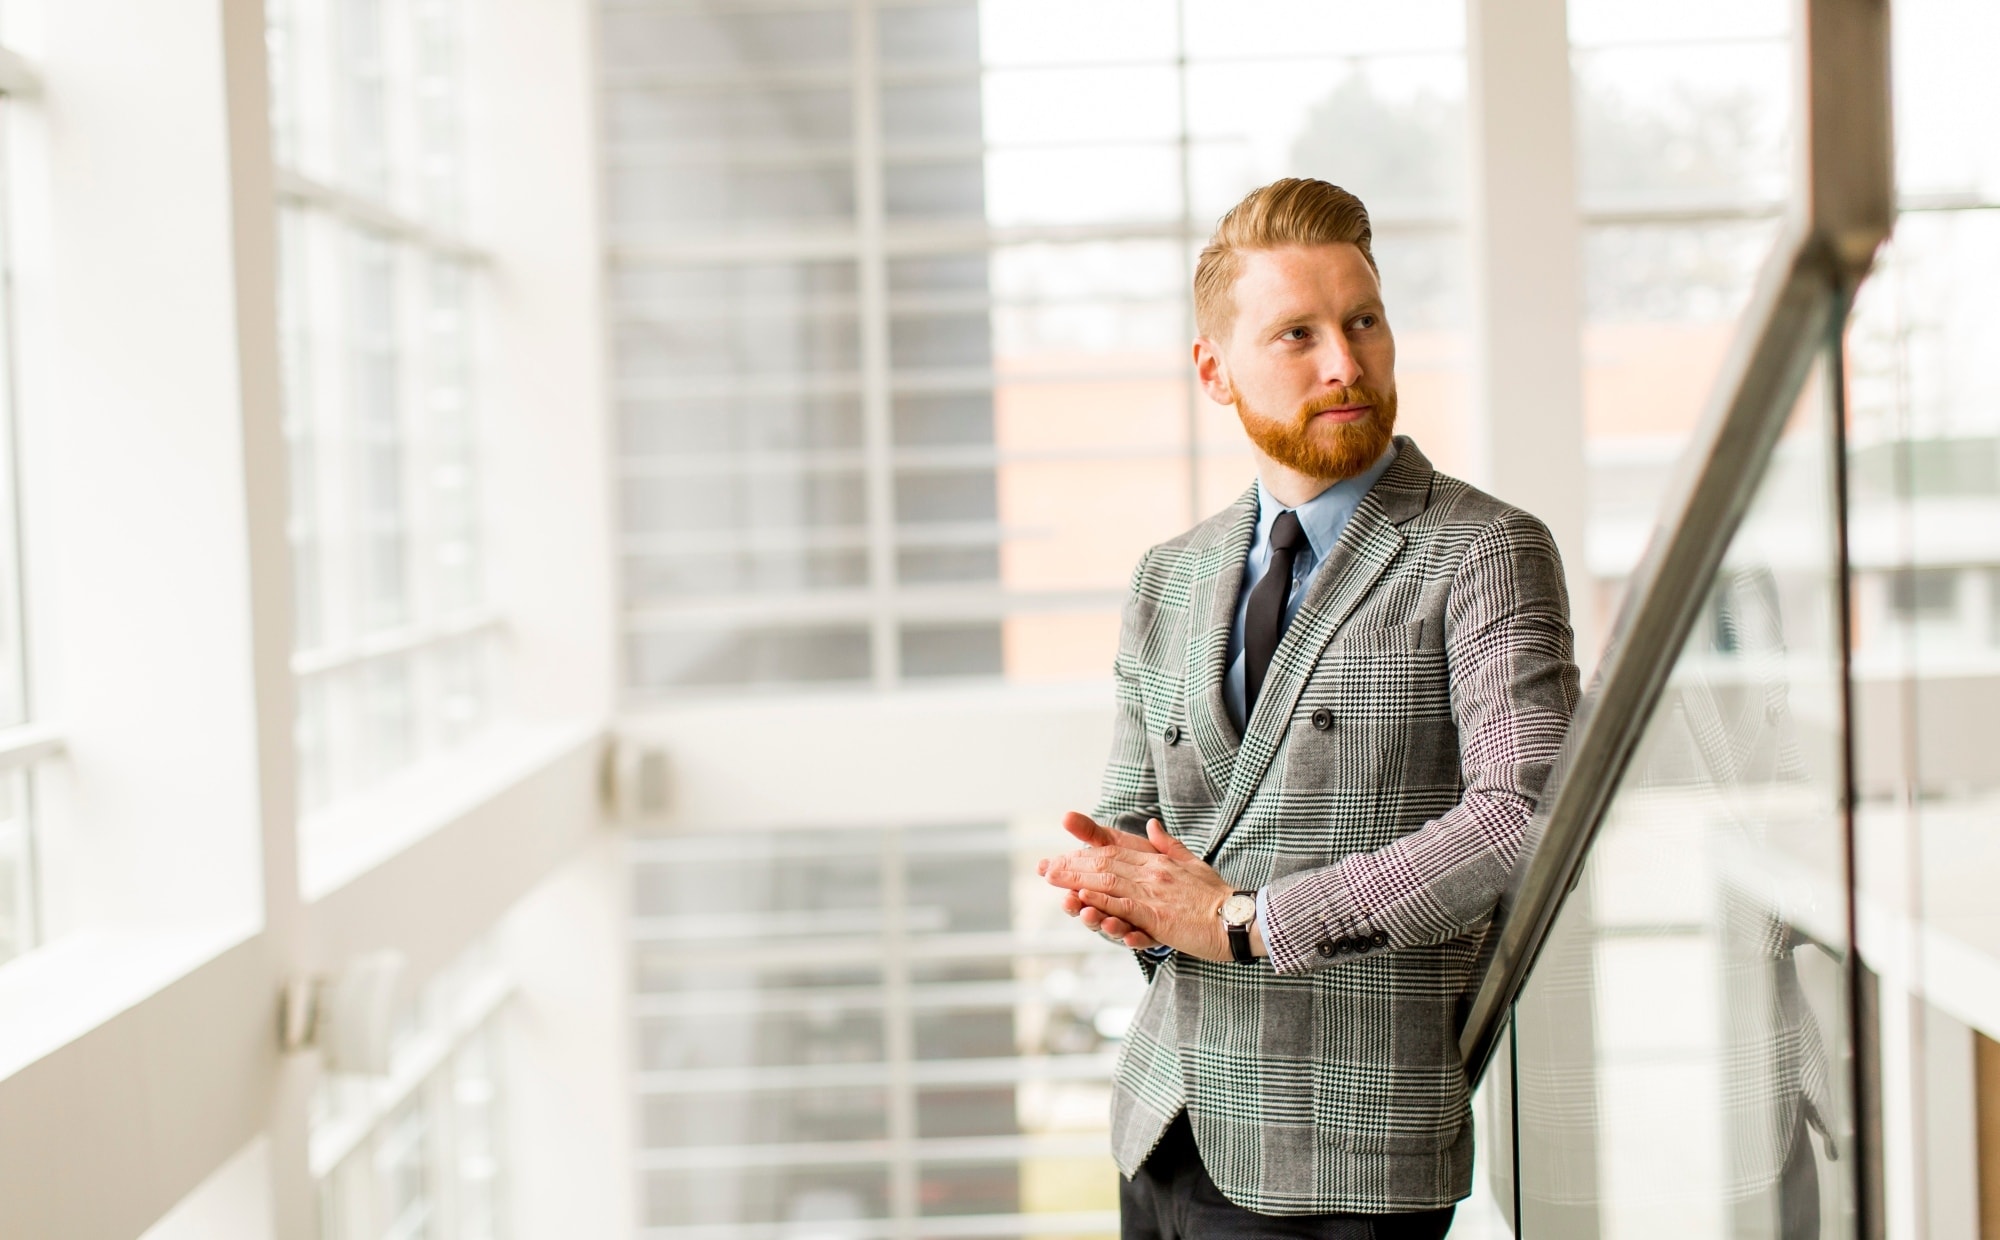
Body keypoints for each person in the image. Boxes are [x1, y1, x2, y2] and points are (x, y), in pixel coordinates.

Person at [1038, 178, 1580, 1237]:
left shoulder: (1483, 550)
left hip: (1344, 1154)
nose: (1344, 363)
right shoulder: (1169, 574)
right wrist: (1122, 892)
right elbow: (1136, 811)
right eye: (1297, 333)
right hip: (1163, 1123)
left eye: (1362, 322)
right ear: (1215, 369)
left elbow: (1522, 817)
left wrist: (1243, 923)